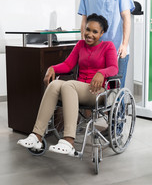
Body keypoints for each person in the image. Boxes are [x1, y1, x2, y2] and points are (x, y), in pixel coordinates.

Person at [17, 13, 118, 156]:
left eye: (95, 32)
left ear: (102, 33)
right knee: (55, 84)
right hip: (78, 88)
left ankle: (69, 141)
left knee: (68, 84)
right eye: (87, 29)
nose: (89, 34)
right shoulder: (80, 45)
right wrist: (52, 68)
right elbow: (68, 64)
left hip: (97, 91)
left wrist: (102, 73)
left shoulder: (108, 46)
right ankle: (37, 136)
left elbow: (114, 68)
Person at [78, 0, 135, 88]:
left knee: (116, 90)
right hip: (96, 51)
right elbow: (84, 22)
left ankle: (119, 110)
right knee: (98, 89)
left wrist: (124, 45)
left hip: (117, 50)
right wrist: (83, 44)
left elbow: (126, 18)